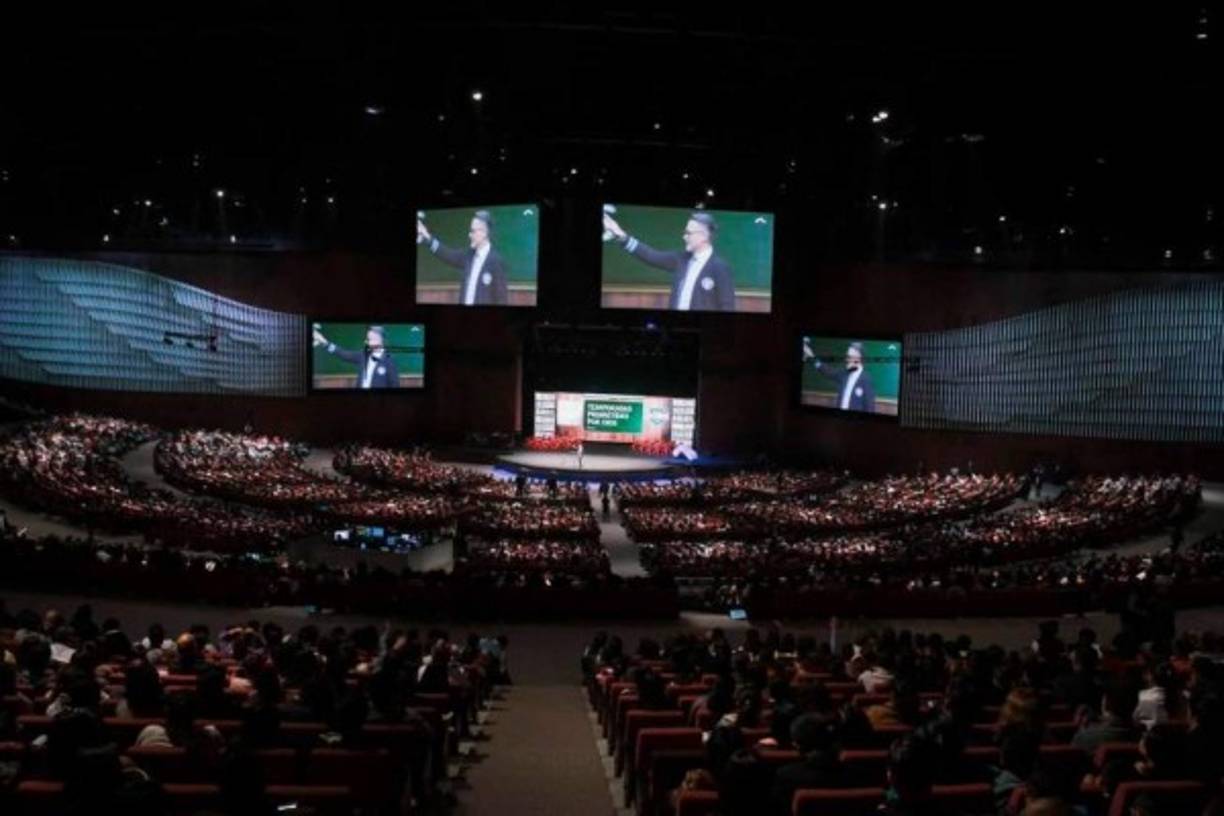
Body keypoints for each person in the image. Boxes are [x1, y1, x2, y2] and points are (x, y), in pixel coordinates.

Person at [602, 210, 736, 311]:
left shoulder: (720, 268)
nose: (684, 237)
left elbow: (728, 307)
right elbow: (651, 256)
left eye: (688, 233)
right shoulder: (680, 259)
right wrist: (621, 235)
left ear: (703, 236)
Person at [417, 209, 509, 305]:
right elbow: (447, 254)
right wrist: (428, 238)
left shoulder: (496, 262)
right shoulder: (468, 256)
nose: (469, 235)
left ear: (484, 233)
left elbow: (501, 300)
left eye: (472, 231)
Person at [313, 325, 400, 389]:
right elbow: (343, 354)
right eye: (368, 339)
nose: (368, 342)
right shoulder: (363, 355)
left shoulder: (389, 361)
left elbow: (394, 385)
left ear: (381, 340)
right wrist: (325, 342)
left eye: (372, 339)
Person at [803, 340, 877, 413]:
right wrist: (812, 357)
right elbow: (827, 371)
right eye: (847, 356)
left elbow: (869, 408)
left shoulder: (867, 379)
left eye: (849, 356)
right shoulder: (844, 373)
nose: (846, 359)